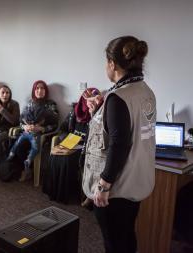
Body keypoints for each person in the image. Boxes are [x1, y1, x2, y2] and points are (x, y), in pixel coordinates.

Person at [82, 36, 156, 253]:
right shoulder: (145, 90)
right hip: (138, 180)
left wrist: (104, 185)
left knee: (113, 243)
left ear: (112, 64)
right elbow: (126, 130)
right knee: (126, 237)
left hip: (117, 187)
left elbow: (119, 144)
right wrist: (99, 111)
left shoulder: (118, 97)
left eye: (106, 62)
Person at [7, 80, 59, 181]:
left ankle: (28, 169)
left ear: (46, 91)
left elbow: (55, 124)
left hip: (42, 135)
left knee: (33, 146)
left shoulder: (51, 104)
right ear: (34, 90)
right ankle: (25, 170)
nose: (40, 90)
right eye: (37, 88)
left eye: (42, 88)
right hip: (28, 132)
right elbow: (21, 119)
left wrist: (42, 128)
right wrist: (24, 127)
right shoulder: (30, 103)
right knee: (17, 145)